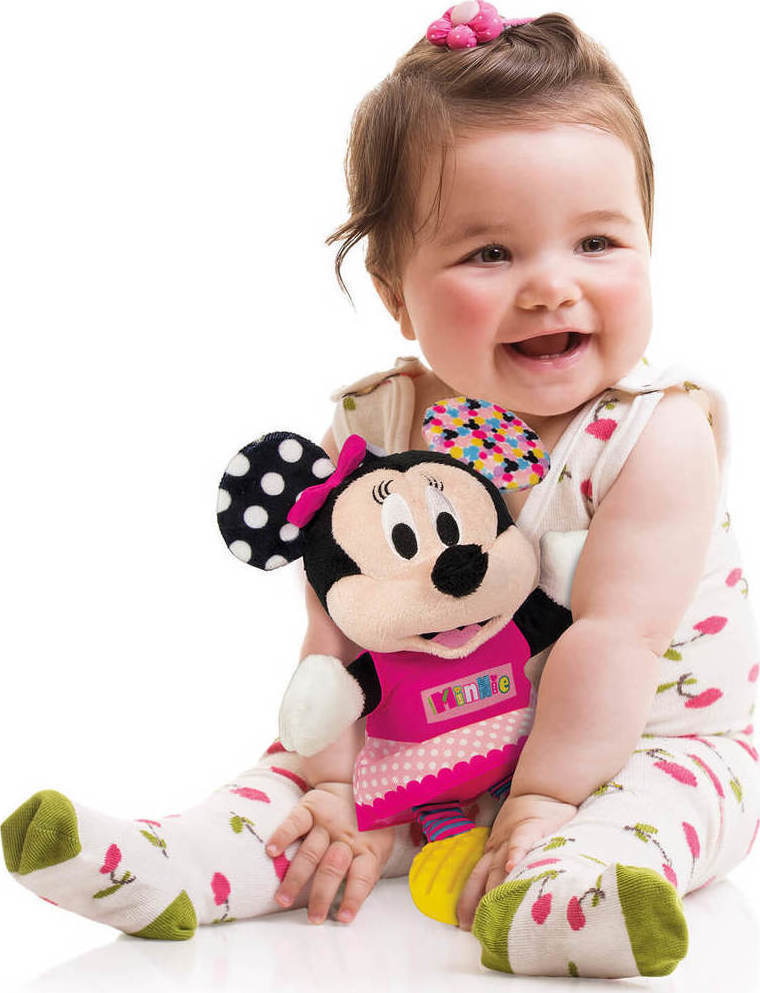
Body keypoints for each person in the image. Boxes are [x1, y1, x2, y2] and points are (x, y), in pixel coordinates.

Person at [2, 6, 758, 979]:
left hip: (632, 744)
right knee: (294, 798)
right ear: (396, 291)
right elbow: (342, 626)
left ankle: (570, 892)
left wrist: (542, 801)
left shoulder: (656, 434)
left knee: (654, 807)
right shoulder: (379, 425)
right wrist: (334, 784)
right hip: (434, 729)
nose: (551, 286)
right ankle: (178, 861)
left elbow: (616, 640)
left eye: (598, 242)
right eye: (491, 253)